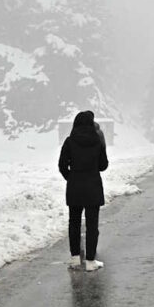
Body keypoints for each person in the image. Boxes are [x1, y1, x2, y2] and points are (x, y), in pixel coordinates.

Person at [58, 110, 109, 271]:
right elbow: (103, 165)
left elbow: (61, 165)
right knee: (92, 225)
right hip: (93, 186)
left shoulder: (69, 141)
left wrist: (71, 178)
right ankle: (90, 261)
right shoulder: (97, 141)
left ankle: (74, 259)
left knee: (74, 222)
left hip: (75, 187)